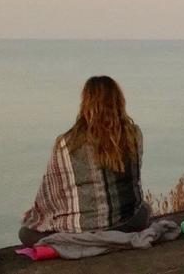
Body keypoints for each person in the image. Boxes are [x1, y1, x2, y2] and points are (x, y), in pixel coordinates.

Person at [19, 76, 150, 247]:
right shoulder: (134, 135)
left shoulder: (66, 143)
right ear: (119, 101)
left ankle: (83, 240)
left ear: (86, 103)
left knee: (26, 233)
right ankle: (102, 236)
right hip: (125, 224)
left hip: (82, 229)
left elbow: (48, 198)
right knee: (145, 209)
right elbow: (134, 182)